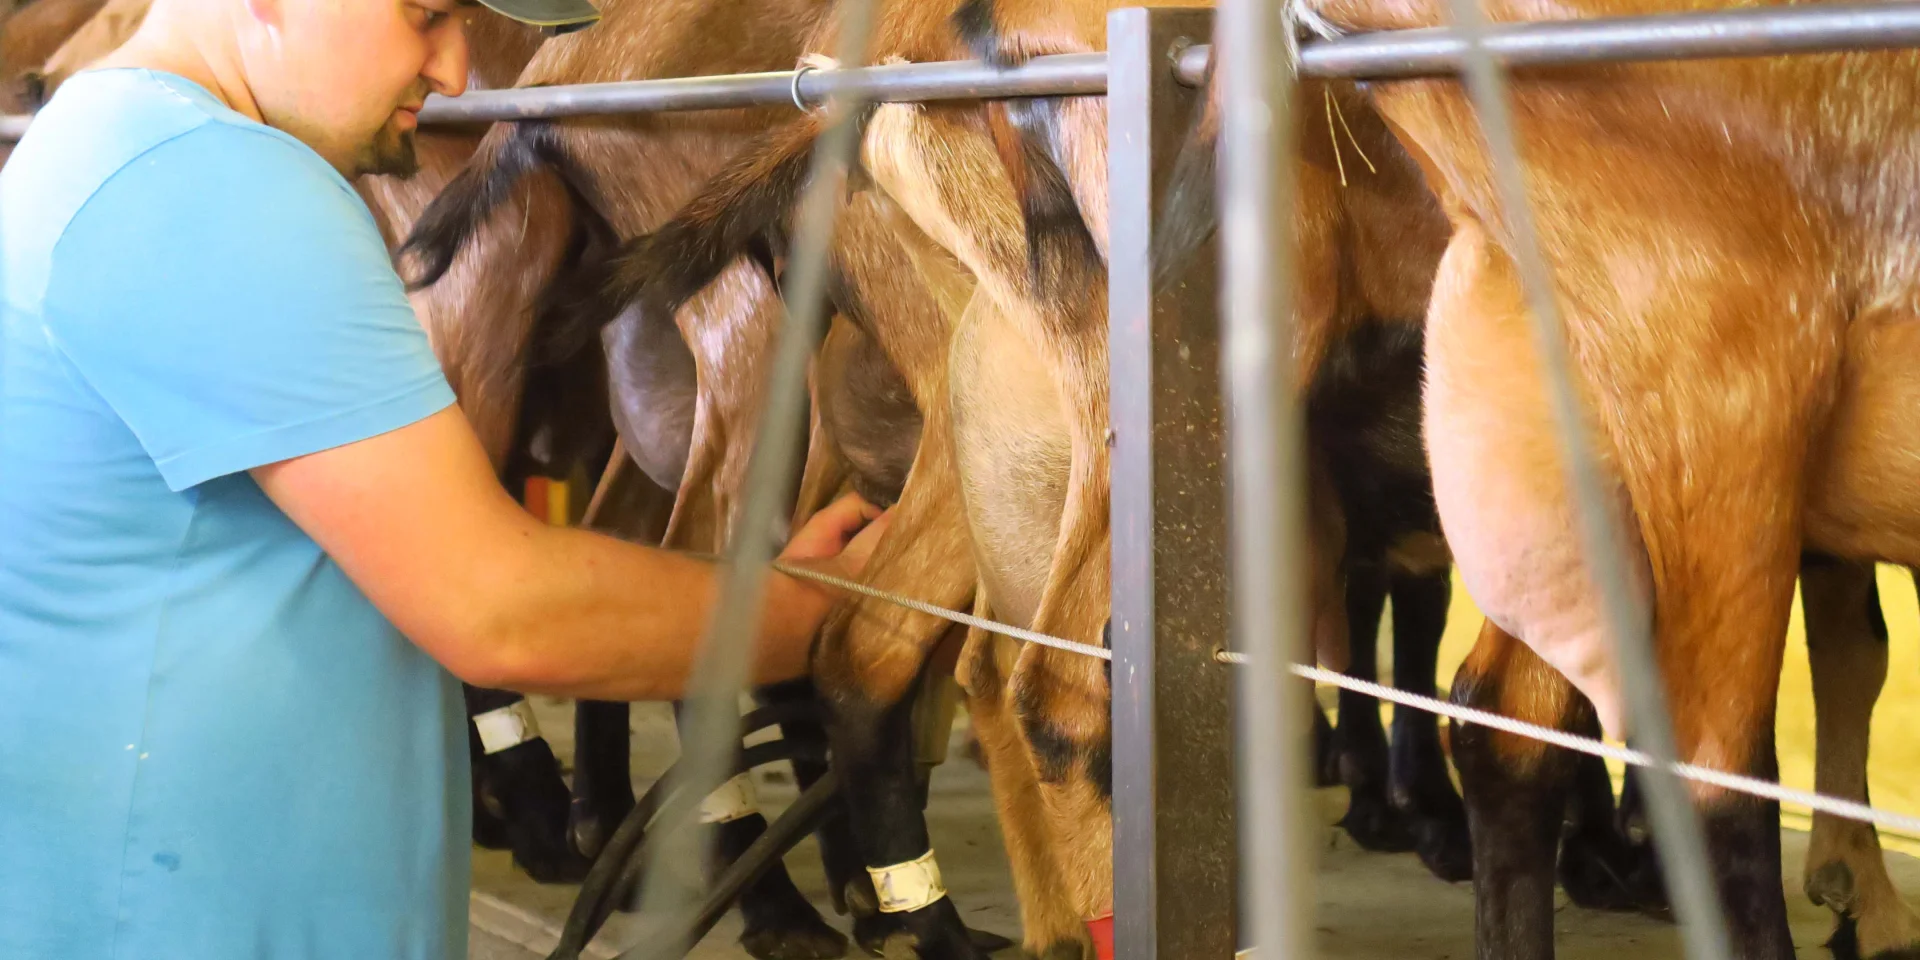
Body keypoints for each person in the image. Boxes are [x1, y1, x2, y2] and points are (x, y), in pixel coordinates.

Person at [0, 0, 889, 954]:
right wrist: (829, 615)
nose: (457, 72)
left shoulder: (102, 138)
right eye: (425, 13)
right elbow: (501, 607)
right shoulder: (215, 186)